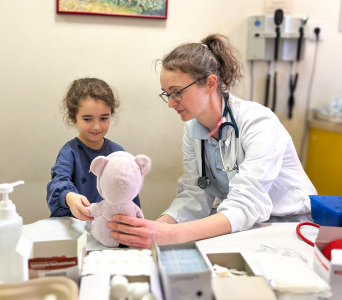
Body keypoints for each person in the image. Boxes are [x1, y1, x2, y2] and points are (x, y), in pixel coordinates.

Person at [107, 34, 317, 248]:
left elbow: (248, 202)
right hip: (248, 224)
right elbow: (195, 192)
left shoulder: (259, 123)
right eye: (166, 94)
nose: (171, 103)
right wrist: (153, 229)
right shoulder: (193, 129)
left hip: (291, 226)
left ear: (210, 84)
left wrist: (172, 234)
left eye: (177, 93)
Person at [46, 78, 140, 220]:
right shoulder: (69, 152)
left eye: (103, 118)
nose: (97, 126)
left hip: (107, 230)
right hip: (74, 226)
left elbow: (130, 192)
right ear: (73, 118)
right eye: (87, 119)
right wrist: (69, 198)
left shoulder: (118, 153)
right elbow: (58, 182)